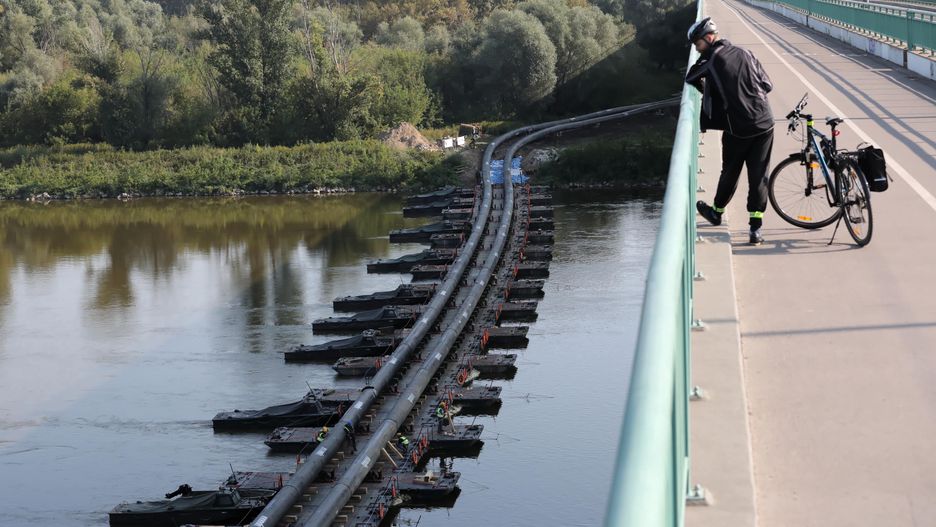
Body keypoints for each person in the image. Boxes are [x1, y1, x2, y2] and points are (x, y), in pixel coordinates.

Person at [685, 17, 774, 245]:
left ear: (708, 38)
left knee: (730, 171)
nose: (696, 48)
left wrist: (708, 86)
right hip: (765, 122)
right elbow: (767, 85)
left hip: (739, 127)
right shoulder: (746, 53)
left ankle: (716, 212)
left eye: (697, 43)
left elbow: (691, 77)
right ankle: (755, 229)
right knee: (758, 176)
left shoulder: (711, 59)